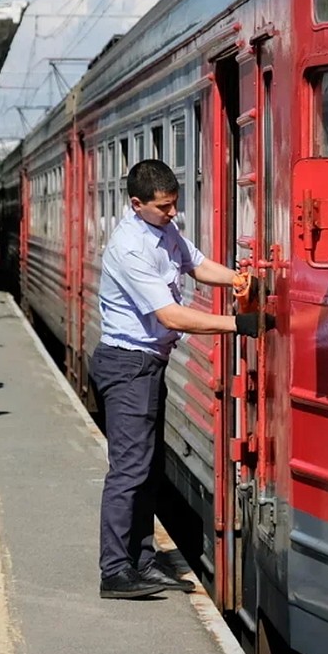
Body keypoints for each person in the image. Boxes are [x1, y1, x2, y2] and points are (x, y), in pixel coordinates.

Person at [93, 159, 274, 599]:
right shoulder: (129, 248)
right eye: (163, 208)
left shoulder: (162, 230)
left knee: (148, 469)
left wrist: (235, 277)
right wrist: (239, 325)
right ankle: (115, 572)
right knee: (129, 471)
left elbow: (194, 263)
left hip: (147, 365)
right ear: (137, 205)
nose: (173, 213)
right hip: (126, 365)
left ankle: (141, 561)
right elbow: (170, 315)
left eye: (174, 205)